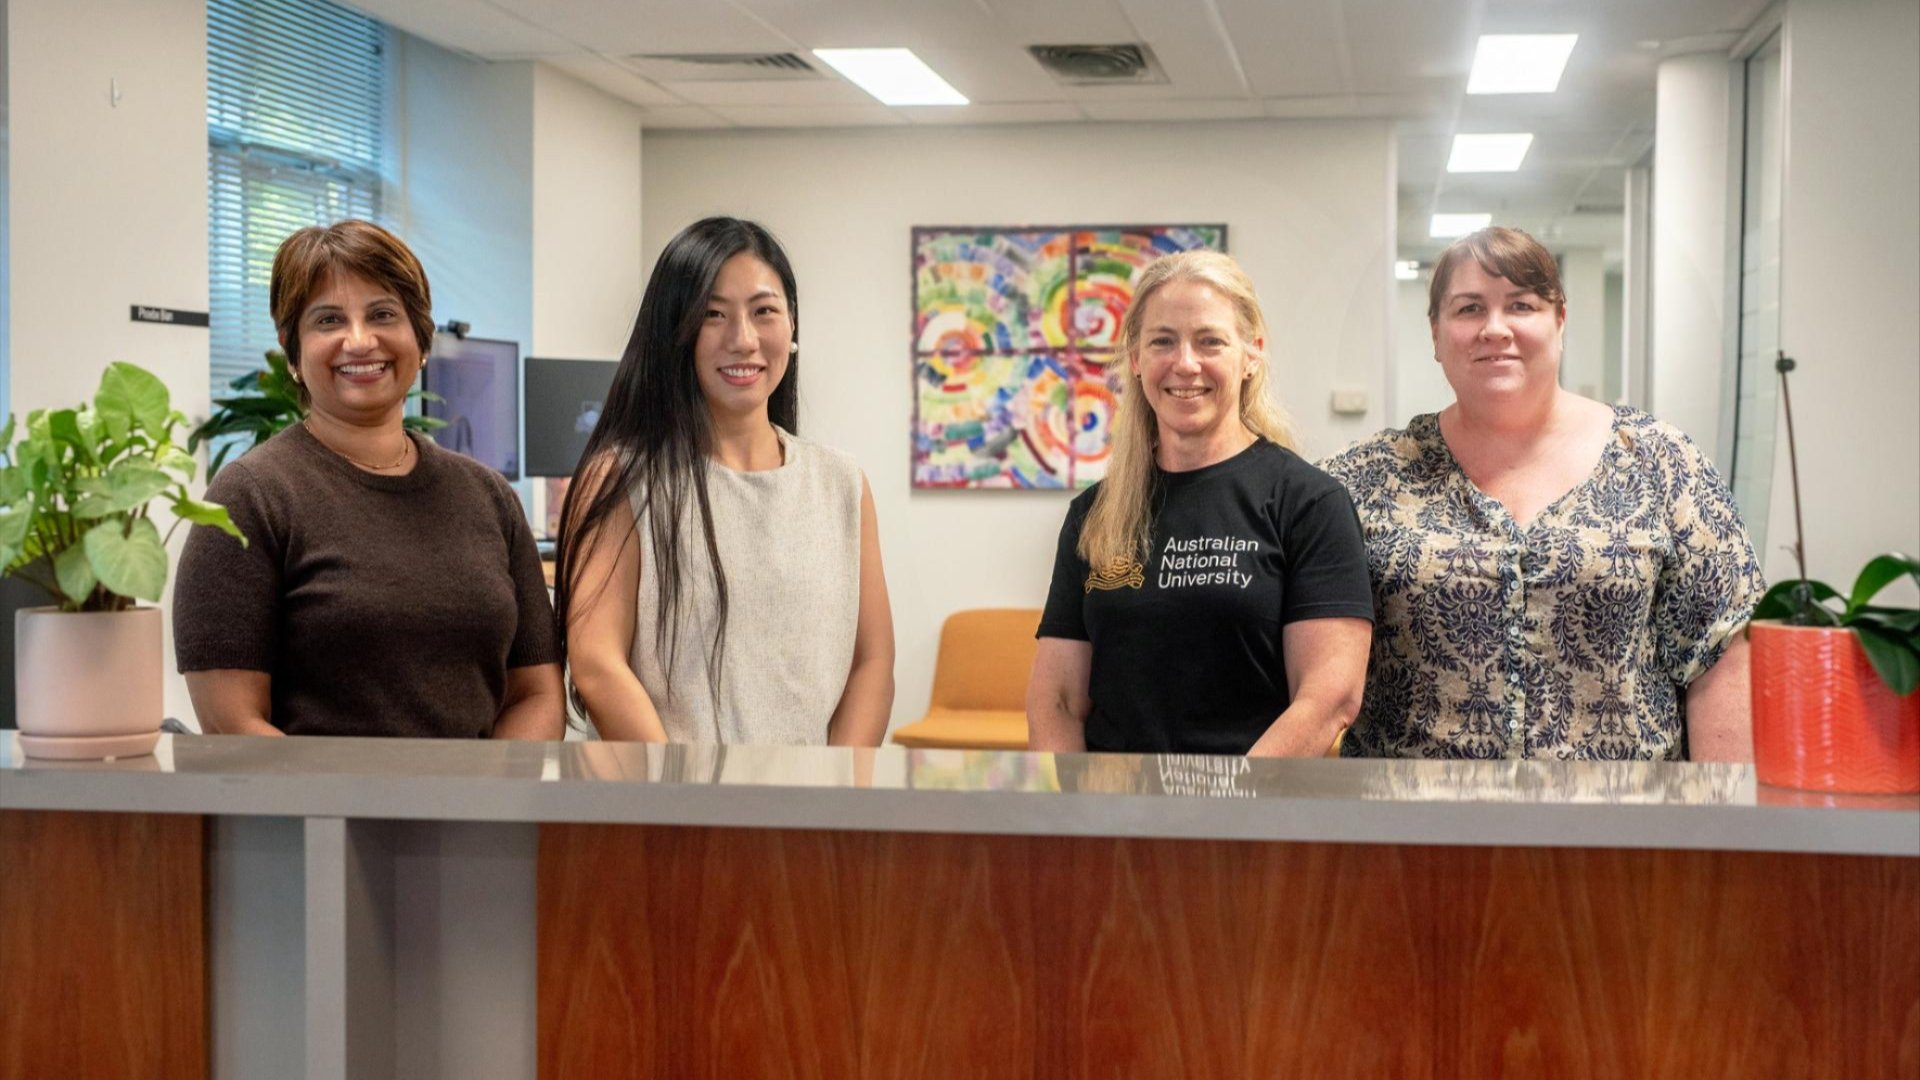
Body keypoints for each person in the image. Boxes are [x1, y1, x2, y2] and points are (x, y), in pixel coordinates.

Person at [1320, 226, 1764, 761]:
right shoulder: (1365, 479)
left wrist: (1722, 827)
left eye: (1521, 305)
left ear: (1560, 320)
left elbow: (1720, 653)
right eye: (1468, 309)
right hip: (1413, 829)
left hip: (1627, 828)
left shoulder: (1662, 463)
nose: (1495, 328)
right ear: (1435, 334)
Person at [173, 220, 564, 739]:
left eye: (382, 314)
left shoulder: (489, 497)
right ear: (292, 351)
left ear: (420, 339)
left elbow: (536, 693)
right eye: (328, 320)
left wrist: (482, 801)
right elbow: (234, 724)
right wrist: (361, 814)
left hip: (478, 811)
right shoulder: (250, 497)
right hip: (320, 815)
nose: (359, 341)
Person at [554, 216, 894, 745]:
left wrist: (837, 795)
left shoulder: (841, 484)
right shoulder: (625, 477)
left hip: (809, 810)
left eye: (764, 312)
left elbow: (870, 663)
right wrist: (683, 801)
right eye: (712, 315)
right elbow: (597, 663)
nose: (743, 339)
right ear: (676, 330)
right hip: (671, 808)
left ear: (793, 326)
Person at [1027, 251, 1374, 756]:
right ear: (1136, 360)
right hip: (1113, 818)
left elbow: (1329, 697)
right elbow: (1056, 700)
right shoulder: (1095, 514)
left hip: (1250, 816)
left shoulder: (1309, 503)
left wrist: (1226, 812)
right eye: (1163, 341)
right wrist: (1079, 816)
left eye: (1209, 341)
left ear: (1251, 354)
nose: (1185, 363)